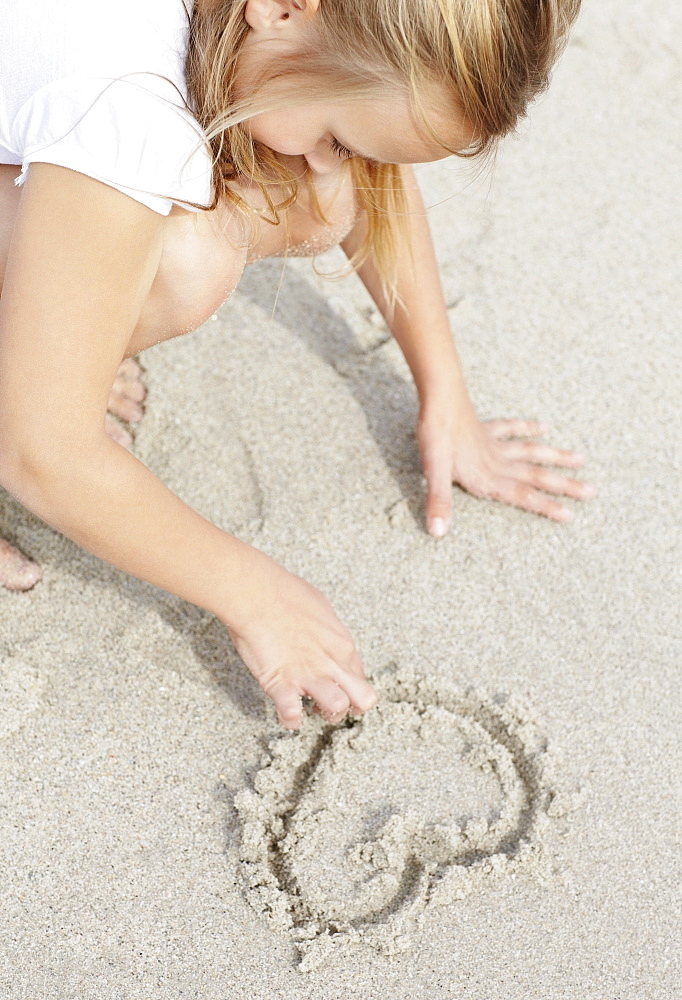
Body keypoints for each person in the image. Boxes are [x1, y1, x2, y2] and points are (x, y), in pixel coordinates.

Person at [0, 0, 592, 728]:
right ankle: (38, 361)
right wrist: (254, 595)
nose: (330, 162)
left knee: (312, 193)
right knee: (190, 261)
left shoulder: (290, 27)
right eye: (338, 136)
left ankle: (47, 347)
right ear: (282, 10)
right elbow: (42, 453)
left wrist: (446, 393)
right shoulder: (121, 109)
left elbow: (372, 179)